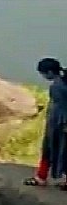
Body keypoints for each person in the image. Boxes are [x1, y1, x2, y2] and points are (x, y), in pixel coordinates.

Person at [24, 58, 67, 189]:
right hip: (59, 123)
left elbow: (61, 108)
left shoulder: (57, 87)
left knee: (50, 149)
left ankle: (41, 177)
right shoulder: (63, 82)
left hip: (58, 124)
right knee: (62, 151)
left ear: (49, 72)